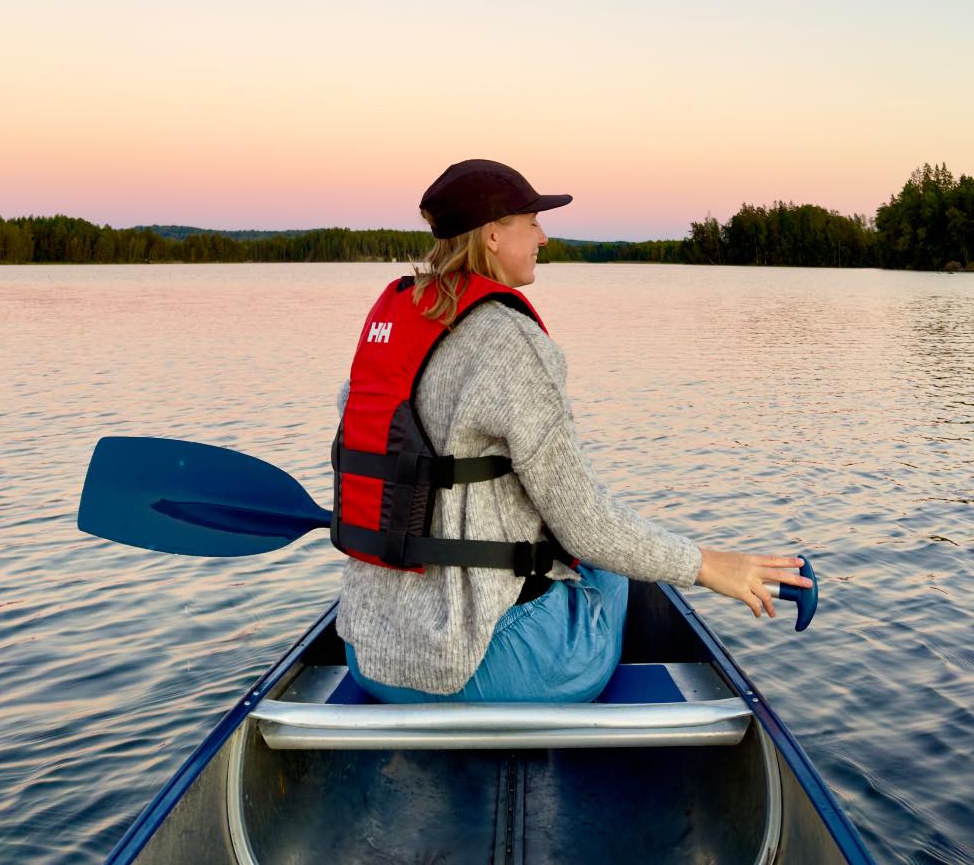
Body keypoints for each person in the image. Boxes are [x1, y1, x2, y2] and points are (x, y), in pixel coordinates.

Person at [331, 158, 812, 703]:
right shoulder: (510, 341)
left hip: (370, 651)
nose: (543, 236)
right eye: (531, 221)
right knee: (608, 571)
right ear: (493, 235)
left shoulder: (391, 327)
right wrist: (707, 566)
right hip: (475, 670)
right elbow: (585, 525)